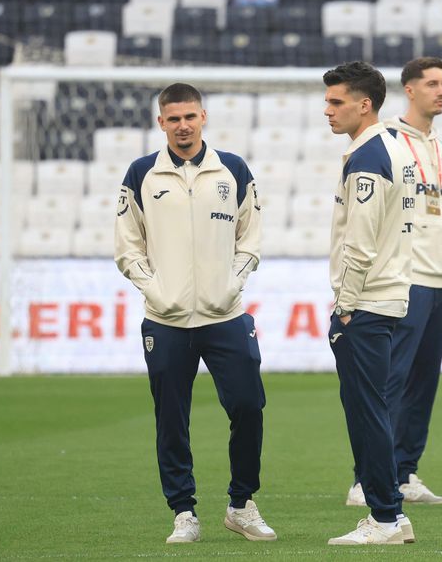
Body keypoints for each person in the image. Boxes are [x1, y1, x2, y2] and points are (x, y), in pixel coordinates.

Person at [114, 83, 276, 543]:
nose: (183, 126)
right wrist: (156, 292)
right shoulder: (141, 173)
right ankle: (183, 512)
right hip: (164, 321)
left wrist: (233, 283)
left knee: (248, 406)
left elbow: (252, 240)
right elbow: (128, 248)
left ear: (203, 117)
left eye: (190, 117)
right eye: (173, 119)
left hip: (226, 316)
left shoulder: (234, 170)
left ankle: (242, 505)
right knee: (171, 417)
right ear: (160, 123)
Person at [345, 56, 442, 508]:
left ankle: (405, 471)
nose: (441, 91)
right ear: (409, 90)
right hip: (407, 278)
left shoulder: (440, 147)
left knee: (423, 383)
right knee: (388, 383)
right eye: (432, 83)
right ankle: (365, 478)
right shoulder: (390, 142)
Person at [323, 61, 416, 545]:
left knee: (367, 411)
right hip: (388, 294)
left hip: (366, 302)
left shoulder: (367, 159)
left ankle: (384, 517)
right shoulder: (396, 149)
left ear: (365, 105)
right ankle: (392, 515)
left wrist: (345, 305)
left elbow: (359, 245)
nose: (328, 110)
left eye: (336, 102)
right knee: (373, 407)